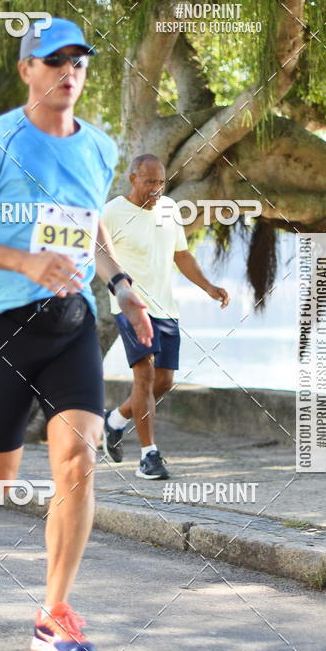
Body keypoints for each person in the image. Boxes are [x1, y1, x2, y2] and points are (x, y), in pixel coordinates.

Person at [0, 17, 152, 651]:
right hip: (0, 329)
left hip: (70, 326)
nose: (68, 72)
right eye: (53, 60)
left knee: (77, 462)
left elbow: (90, 231)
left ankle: (53, 611)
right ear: (27, 69)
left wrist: (123, 286)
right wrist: (26, 263)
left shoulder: (100, 148)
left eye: (78, 61)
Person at [101, 154, 229, 478]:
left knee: (164, 381)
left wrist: (209, 287)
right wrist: (120, 291)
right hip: (130, 307)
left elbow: (181, 255)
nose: (156, 189)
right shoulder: (113, 212)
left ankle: (114, 421)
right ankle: (149, 456)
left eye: (160, 182)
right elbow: (99, 256)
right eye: (149, 182)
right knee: (143, 376)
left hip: (166, 308)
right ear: (133, 179)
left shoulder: (171, 210)